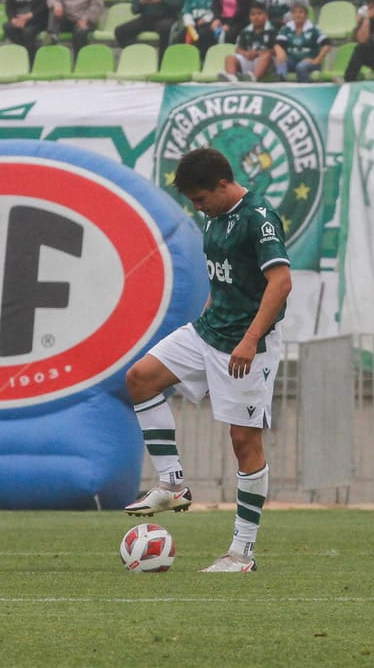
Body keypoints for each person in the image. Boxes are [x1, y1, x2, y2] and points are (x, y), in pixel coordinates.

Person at [122, 146, 292, 573]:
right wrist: (205, 318)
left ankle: (242, 553)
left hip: (247, 344)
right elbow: (226, 275)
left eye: (199, 199)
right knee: (141, 378)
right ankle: (172, 483)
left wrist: (251, 339)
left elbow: (281, 282)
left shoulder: (259, 217)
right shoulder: (213, 217)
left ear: (222, 184)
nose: (196, 207)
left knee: (244, 442)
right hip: (209, 331)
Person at [218, 2, 277, 81]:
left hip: (264, 62)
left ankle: (253, 78)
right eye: (252, 14)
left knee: (266, 56)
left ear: (266, 16)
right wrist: (246, 53)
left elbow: (276, 50)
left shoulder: (272, 31)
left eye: (259, 14)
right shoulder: (245, 31)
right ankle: (231, 78)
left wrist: (258, 53)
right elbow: (238, 49)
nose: (256, 17)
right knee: (229, 58)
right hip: (249, 58)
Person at [274, 1, 329, 81]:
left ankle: (303, 90)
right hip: (292, 60)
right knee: (280, 61)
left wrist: (317, 60)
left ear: (306, 15)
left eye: (300, 12)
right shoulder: (287, 28)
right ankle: (282, 86)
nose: (297, 15)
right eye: (295, 13)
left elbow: (327, 44)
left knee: (301, 66)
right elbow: (277, 43)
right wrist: (279, 51)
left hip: (309, 62)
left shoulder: (313, 28)